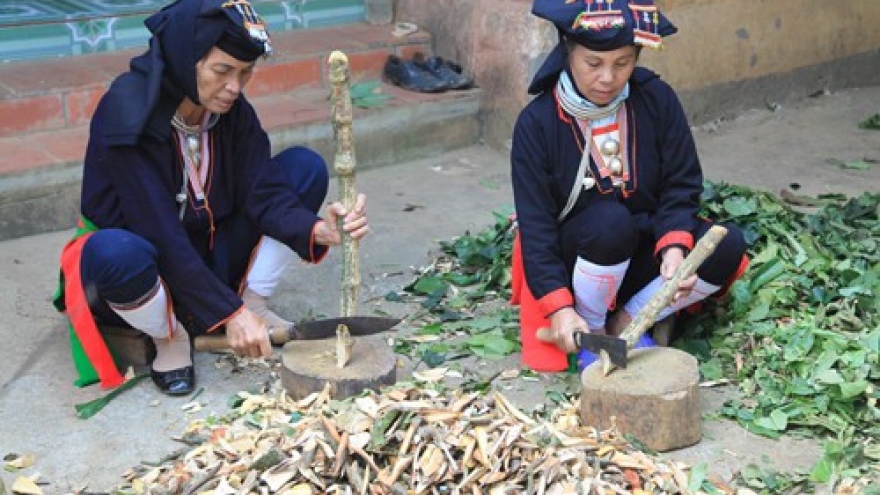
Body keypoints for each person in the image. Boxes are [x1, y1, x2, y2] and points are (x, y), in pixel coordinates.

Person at [53, 0, 369, 395]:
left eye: (245, 73)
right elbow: (159, 231)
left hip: (209, 249)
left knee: (303, 168)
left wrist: (318, 229)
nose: (235, 87)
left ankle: (252, 301)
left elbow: (262, 188)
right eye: (222, 71)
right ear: (187, 61)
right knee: (115, 252)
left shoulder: (230, 111)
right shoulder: (127, 113)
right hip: (144, 273)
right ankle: (169, 337)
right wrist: (227, 313)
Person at [509, 0, 749, 372]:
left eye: (622, 63)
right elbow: (536, 227)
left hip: (640, 254)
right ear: (568, 54)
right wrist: (559, 308)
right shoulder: (537, 123)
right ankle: (593, 328)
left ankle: (631, 319)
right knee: (610, 221)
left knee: (726, 244)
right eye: (594, 64)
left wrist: (673, 249)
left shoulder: (656, 99)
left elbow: (681, 184)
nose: (608, 78)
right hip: (579, 260)